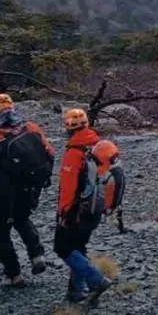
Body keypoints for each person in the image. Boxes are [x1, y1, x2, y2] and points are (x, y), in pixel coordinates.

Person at [0, 93, 54, 286]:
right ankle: (37, 255)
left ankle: (14, 274)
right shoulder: (32, 128)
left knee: (0, 231)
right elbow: (50, 152)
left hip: (4, 193)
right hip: (31, 188)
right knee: (23, 219)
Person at [54, 108, 114, 305]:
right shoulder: (97, 145)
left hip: (77, 210)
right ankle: (77, 291)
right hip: (95, 208)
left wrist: (63, 211)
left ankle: (96, 280)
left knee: (62, 247)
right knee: (78, 246)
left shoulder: (74, 152)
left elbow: (68, 187)